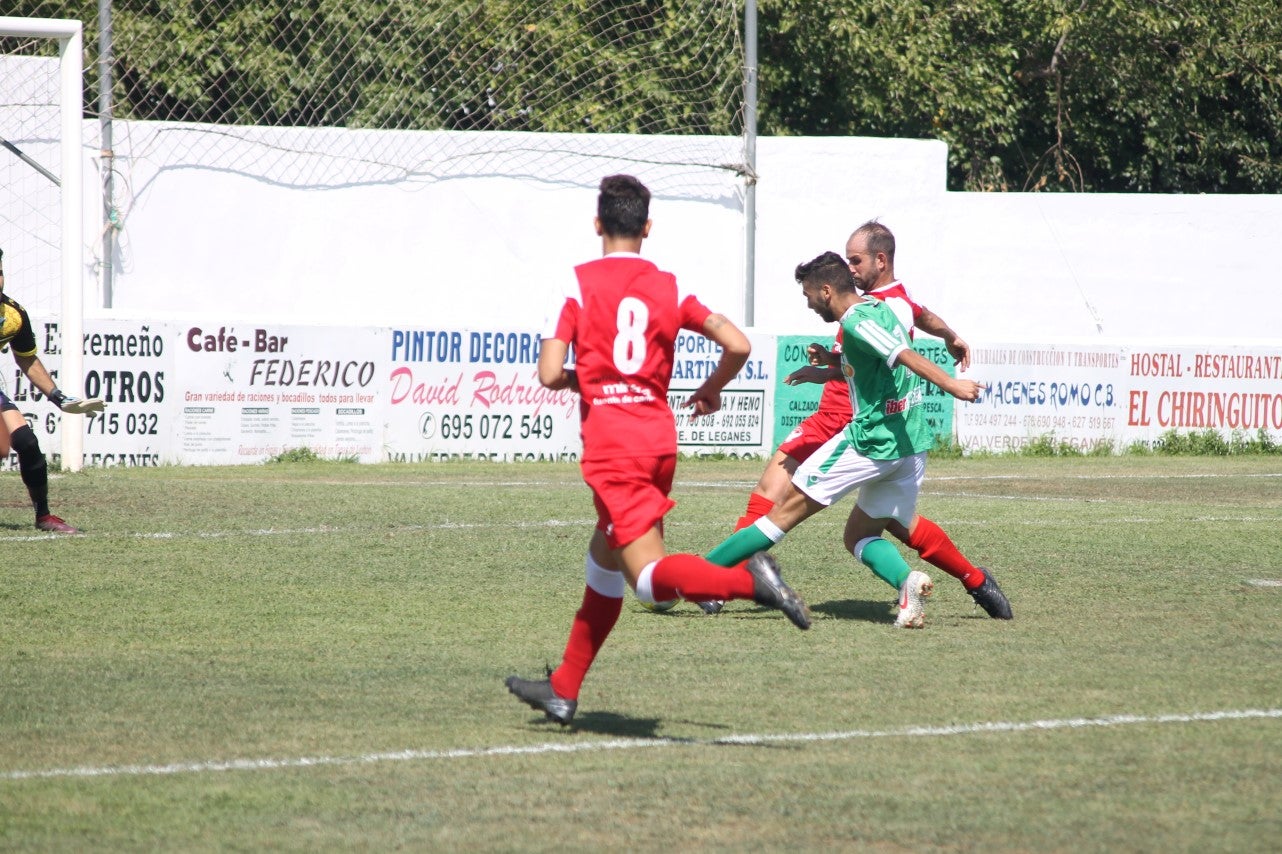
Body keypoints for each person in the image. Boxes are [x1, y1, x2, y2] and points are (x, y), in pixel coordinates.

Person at [505, 175, 810, 727]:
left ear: (598, 223)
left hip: (612, 447)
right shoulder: (669, 289)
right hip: (656, 442)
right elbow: (737, 344)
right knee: (602, 562)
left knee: (646, 579)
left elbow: (550, 374)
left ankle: (752, 583)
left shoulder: (577, 286)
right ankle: (562, 689)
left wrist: (590, 381)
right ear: (647, 228)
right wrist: (712, 387)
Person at [700, 221, 1011, 620]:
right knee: (861, 535)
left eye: (810, 297)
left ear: (826, 291)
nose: (810, 305)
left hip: (870, 440)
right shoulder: (887, 305)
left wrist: (952, 384)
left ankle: (698, 578)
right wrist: (830, 366)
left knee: (781, 511)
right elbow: (883, 354)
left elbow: (899, 353)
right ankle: (916, 583)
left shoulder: (855, 320)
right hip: (909, 444)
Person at [0, 248, 101, 533]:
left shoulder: (13, 315)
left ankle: (43, 516)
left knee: (27, 443)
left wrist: (58, 397)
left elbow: (26, 357)